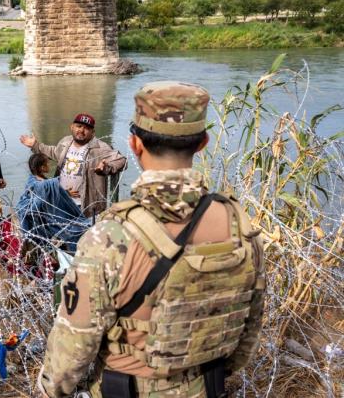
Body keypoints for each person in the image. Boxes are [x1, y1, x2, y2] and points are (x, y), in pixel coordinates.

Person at [38, 82, 266, 398]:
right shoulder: (238, 224)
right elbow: (248, 333)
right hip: (206, 385)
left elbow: (74, 345)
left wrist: (51, 390)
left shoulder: (110, 235)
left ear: (134, 144)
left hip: (128, 388)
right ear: (202, 143)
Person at [20, 113, 127, 218]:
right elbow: (54, 152)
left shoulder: (100, 148)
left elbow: (122, 160)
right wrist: (35, 145)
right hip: (61, 200)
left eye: (86, 128)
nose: (81, 130)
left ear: (93, 132)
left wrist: (106, 167)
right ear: (72, 127)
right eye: (79, 126)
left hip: (86, 206)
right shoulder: (66, 142)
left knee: (83, 234)